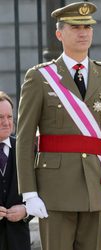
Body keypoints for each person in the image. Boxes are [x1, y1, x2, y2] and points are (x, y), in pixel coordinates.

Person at [16, 2, 101, 250]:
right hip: (55, 188)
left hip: (97, 185)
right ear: (59, 33)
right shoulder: (40, 77)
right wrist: (29, 192)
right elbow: (24, 139)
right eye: (75, 26)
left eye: (87, 26)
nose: (83, 32)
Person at [0, 91, 31, 250]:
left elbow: (43, 191)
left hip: (19, 242)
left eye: (10, 117)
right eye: (0, 117)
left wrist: (26, 211)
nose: (6, 122)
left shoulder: (26, 150)